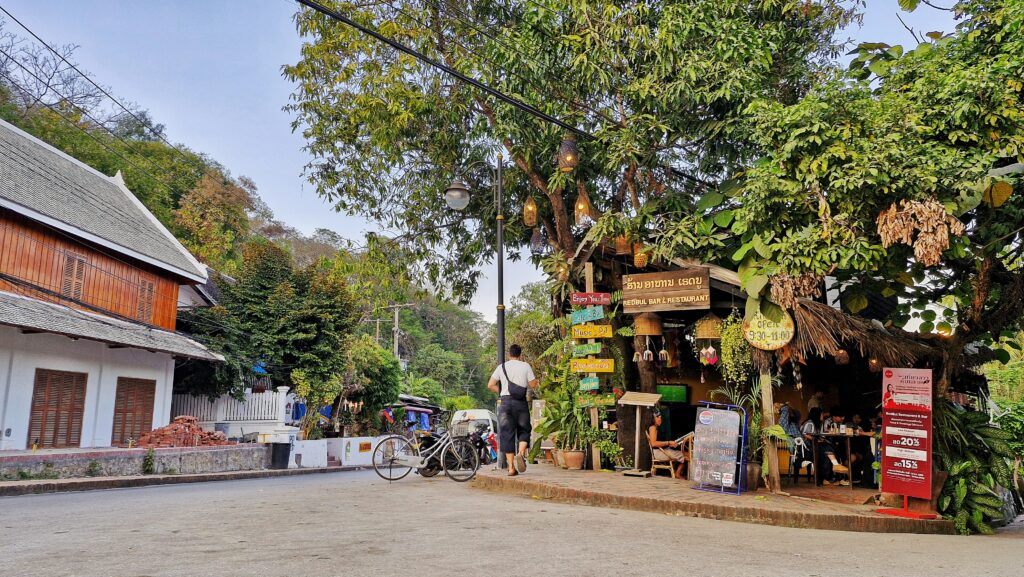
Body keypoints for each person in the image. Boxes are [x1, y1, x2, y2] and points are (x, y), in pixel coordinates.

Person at [488, 344, 539, 476]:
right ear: (520, 354)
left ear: (509, 354)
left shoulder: (502, 367)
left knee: (507, 434)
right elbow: (533, 384)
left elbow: (490, 385)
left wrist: (502, 392)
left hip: (505, 404)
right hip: (520, 403)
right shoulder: (525, 366)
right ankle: (521, 453)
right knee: (524, 429)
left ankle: (511, 468)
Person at [801, 407, 848, 485]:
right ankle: (835, 466)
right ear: (817, 415)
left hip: (816, 447)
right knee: (826, 448)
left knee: (827, 451)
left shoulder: (817, 424)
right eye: (822, 414)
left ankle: (828, 477)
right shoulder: (809, 423)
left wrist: (820, 440)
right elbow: (805, 434)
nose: (823, 416)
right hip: (808, 449)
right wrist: (816, 440)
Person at [647, 408, 686, 478]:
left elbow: (661, 442)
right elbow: (653, 443)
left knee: (684, 454)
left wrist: (671, 444)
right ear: (653, 418)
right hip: (659, 453)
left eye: (660, 417)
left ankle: (677, 472)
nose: (660, 419)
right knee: (686, 456)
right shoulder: (653, 428)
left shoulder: (656, 428)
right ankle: (678, 473)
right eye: (657, 417)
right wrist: (668, 443)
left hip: (663, 451)